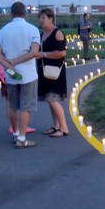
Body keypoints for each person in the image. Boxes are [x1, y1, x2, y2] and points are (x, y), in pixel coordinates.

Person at [0, 1, 41, 148]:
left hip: (11, 74)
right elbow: (34, 52)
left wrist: (9, 66)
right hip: (28, 74)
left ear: (11, 13)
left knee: (13, 105)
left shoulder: (3, 31)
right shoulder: (32, 30)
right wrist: (16, 61)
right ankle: (22, 137)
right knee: (26, 106)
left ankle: (15, 133)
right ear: (25, 13)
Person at [36, 8, 69, 137]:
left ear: (51, 19)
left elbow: (62, 53)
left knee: (53, 99)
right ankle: (56, 126)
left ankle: (64, 127)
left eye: (43, 17)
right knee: (50, 100)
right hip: (44, 70)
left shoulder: (57, 33)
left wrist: (44, 54)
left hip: (55, 71)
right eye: (40, 18)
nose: (41, 20)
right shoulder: (41, 34)